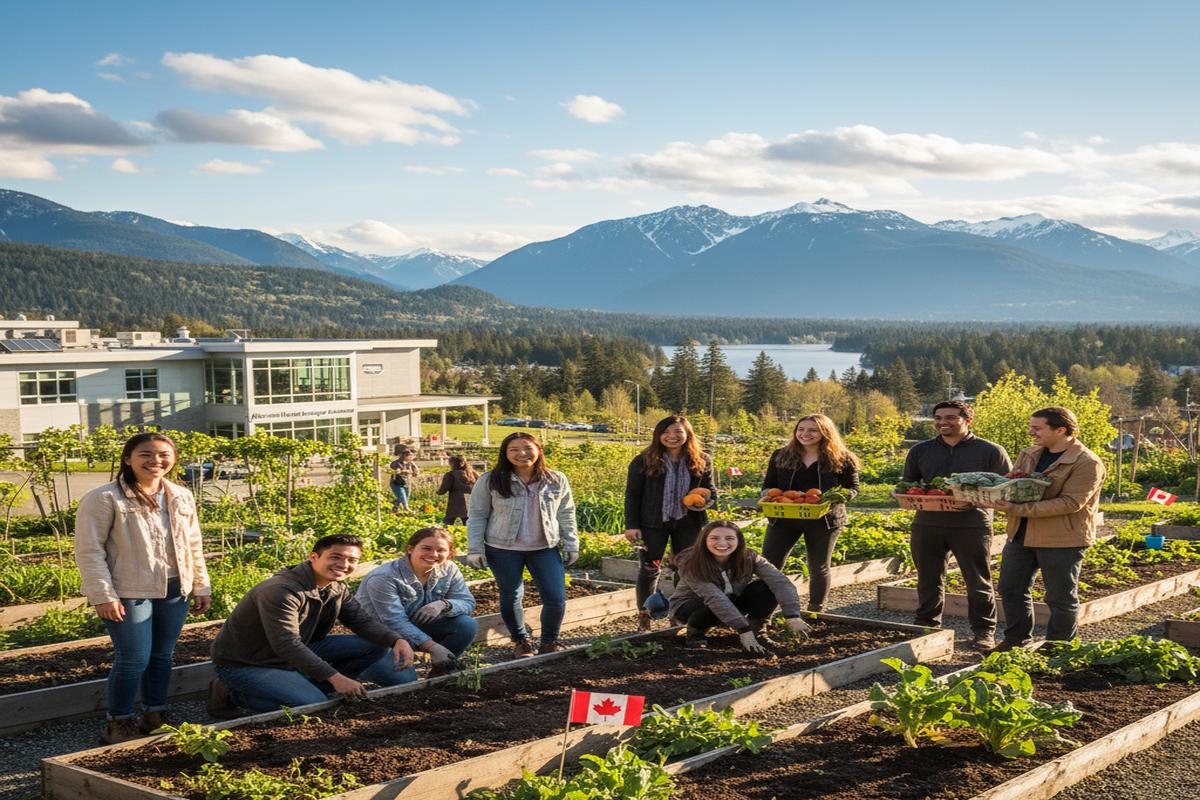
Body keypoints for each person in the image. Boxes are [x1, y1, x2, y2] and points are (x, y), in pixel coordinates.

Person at [74, 432, 212, 744]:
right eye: (146, 454)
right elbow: (89, 551)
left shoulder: (180, 495)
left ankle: (155, 715)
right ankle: (119, 720)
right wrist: (103, 594)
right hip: (128, 590)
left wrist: (201, 584)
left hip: (175, 588)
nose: (156, 461)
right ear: (128, 459)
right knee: (134, 657)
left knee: (162, 655)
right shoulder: (105, 498)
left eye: (164, 454)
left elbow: (193, 544)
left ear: (173, 459)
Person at [207, 534, 414, 716]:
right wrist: (335, 677)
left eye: (352, 560)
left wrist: (396, 639)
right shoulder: (280, 591)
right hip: (250, 662)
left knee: (375, 645)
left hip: (294, 653)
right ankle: (231, 694)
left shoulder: (336, 587)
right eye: (336, 557)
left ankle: (312, 686)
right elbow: (286, 643)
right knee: (313, 705)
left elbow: (361, 621)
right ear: (314, 557)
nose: (344, 564)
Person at [983, 407, 1105, 650]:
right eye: (1031, 427)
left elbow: (1071, 503)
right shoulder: (1030, 454)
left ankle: (1059, 647)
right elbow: (1015, 484)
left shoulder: (1087, 462)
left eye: (1037, 428)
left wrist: (1016, 509)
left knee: (1059, 597)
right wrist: (993, 493)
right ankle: (1016, 641)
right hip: (1020, 534)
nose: (1031, 433)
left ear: (1061, 430)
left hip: (1063, 539)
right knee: (1011, 589)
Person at [902, 400, 1012, 651]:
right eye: (938, 417)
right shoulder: (920, 451)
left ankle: (984, 631)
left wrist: (973, 500)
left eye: (951, 417)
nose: (943, 422)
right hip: (927, 523)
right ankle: (926, 626)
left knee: (977, 580)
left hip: (972, 523)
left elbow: (1005, 489)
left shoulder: (990, 450)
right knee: (928, 578)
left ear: (967, 420)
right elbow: (909, 484)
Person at [466, 432, 578, 658]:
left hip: (544, 548)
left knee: (556, 598)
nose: (521, 454)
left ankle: (549, 642)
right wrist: (475, 548)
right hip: (503, 549)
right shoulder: (490, 480)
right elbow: (477, 515)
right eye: (514, 450)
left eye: (527, 448)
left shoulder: (555, 479)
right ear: (505, 454)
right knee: (511, 594)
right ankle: (521, 641)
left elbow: (566, 512)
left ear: (538, 449)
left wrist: (571, 543)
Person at [623, 415, 716, 631]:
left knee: (685, 569)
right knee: (649, 569)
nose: (672, 437)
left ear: (687, 435)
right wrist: (632, 524)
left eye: (678, 432)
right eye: (666, 432)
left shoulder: (701, 460)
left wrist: (705, 501)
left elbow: (710, 490)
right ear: (658, 435)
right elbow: (633, 494)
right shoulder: (644, 460)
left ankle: (678, 614)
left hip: (689, 522)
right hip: (652, 523)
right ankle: (644, 616)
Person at [760, 413, 860, 611]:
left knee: (818, 566)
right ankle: (764, 611)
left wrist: (836, 498)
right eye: (801, 429)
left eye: (813, 430)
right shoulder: (781, 454)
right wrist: (769, 496)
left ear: (825, 432)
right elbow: (768, 485)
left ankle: (815, 610)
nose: (805, 434)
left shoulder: (842, 458)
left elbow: (853, 488)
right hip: (784, 517)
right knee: (769, 564)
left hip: (824, 519)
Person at [356, 527, 478, 682]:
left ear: (449, 553)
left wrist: (442, 604)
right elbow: (393, 621)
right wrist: (433, 647)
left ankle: (440, 672)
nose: (433, 555)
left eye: (441, 550)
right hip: (382, 638)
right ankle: (359, 667)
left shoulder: (449, 569)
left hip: (416, 628)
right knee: (405, 681)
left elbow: (466, 601)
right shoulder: (383, 577)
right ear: (411, 549)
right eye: (426, 548)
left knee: (466, 624)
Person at [669, 520, 811, 651]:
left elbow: (780, 582)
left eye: (729, 538)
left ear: (739, 541)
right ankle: (695, 633)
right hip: (691, 607)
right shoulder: (690, 561)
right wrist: (743, 629)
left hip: (730, 602)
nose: (722, 543)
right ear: (704, 540)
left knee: (765, 587)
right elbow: (714, 597)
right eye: (714, 538)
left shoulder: (749, 557)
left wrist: (792, 615)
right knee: (707, 604)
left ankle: (758, 631)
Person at [437, 455, 478, 525]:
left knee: (448, 522)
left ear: (451, 464)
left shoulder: (450, 475)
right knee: (469, 524)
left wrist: (438, 492)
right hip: (470, 502)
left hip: (455, 502)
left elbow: (443, 489)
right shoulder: (472, 474)